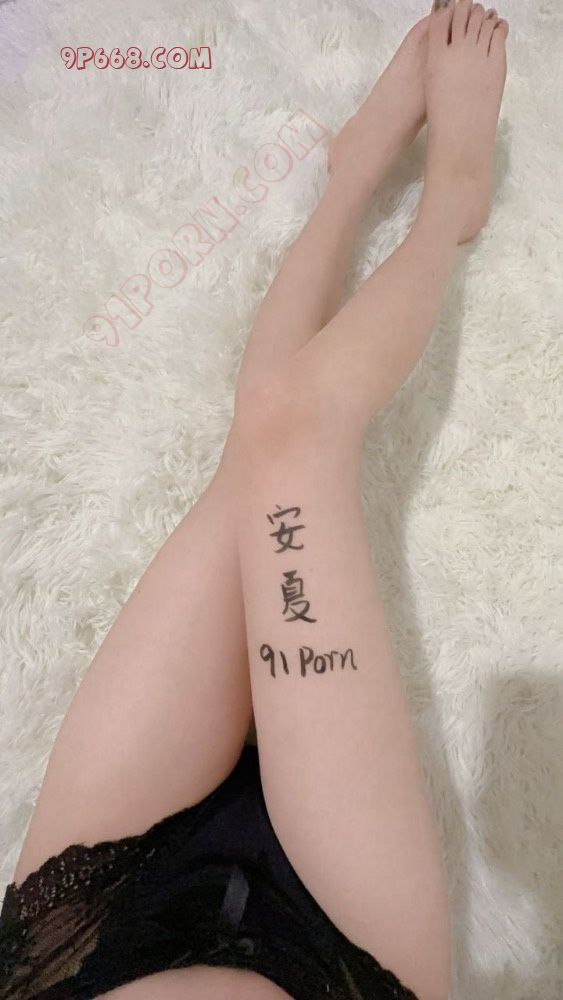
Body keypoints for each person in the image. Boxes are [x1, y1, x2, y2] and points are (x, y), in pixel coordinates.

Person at [0, 2, 509, 998]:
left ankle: (349, 180)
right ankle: (450, 201)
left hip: (87, 932)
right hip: (339, 962)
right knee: (292, 426)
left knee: (257, 450)